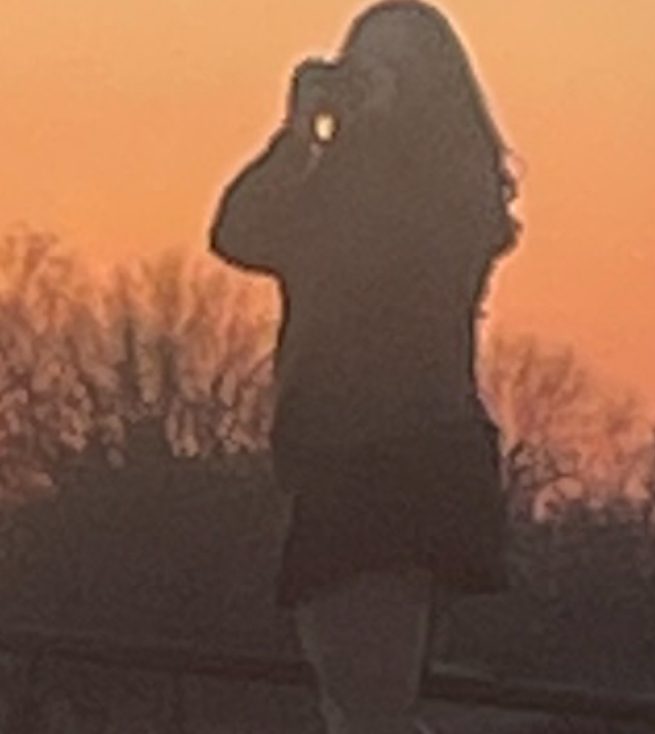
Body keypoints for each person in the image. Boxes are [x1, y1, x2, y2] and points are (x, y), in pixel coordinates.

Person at [209, 1, 521, 731]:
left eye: (398, 67)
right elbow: (239, 233)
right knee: (364, 704)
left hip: (395, 463)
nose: (376, 81)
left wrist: (366, 144)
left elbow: (400, 259)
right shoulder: (335, 186)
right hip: (343, 457)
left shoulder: (451, 191)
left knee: (369, 707)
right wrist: (297, 137)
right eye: (364, 64)